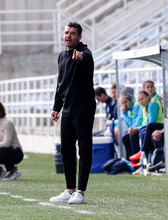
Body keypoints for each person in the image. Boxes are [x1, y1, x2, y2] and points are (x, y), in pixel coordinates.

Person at [50, 21, 96, 204]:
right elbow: (60, 84)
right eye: (67, 32)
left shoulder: (84, 53)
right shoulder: (62, 56)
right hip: (67, 109)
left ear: (80, 37)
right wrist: (56, 107)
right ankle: (69, 190)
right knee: (66, 150)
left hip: (83, 108)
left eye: (73, 33)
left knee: (84, 150)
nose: (68, 36)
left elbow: (87, 60)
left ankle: (81, 192)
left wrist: (80, 58)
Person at [0, 100, 24, 181]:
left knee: (0, 151)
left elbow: (6, 143)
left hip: (15, 152)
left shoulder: (7, 122)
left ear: (1, 110)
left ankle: (14, 171)